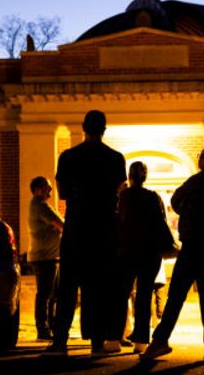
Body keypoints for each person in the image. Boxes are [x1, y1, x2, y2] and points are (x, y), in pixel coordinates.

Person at [43, 110, 127, 357]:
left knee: (68, 286)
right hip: (103, 228)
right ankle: (97, 343)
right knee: (98, 286)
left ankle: (60, 342)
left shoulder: (69, 156)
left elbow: (63, 193)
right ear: (104, 129)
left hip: (77, 225)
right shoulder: (115, 158)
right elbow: (118, 192)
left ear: (83, 127)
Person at [141, 145, 204, 362]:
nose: (200, 158)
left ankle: (160, 341)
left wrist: (187, 211)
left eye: (203, 155)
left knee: (176, 296)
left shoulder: (198, 180)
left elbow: (175, 199)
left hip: (194, 243)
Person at [117, 161, 170, 352]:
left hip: (126, 251)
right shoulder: (152, 197)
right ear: (145, 176)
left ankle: (115, 337)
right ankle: (141, 341)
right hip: (149, 252)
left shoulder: (122, 196)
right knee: (144, 295)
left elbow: (117, 223)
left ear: (129, 177)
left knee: (122, 294)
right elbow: (161, 223)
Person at [27, 176, 64, 341]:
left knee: (52, 294)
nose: (50, 190)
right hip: (44, 257)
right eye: (47, 187)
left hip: (49, 256)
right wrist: (58, 228)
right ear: (37, 190)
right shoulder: (39, 206)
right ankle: (43, 328)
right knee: (45, 294)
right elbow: (60, 223)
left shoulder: (42, 205)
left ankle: (50, 326)